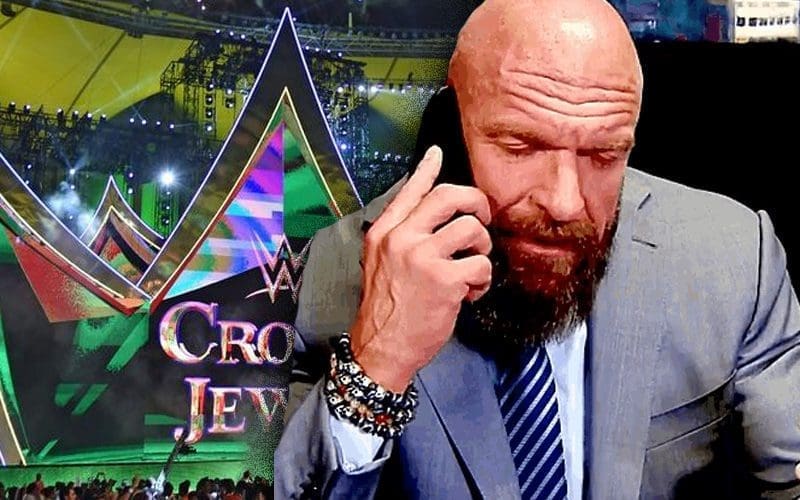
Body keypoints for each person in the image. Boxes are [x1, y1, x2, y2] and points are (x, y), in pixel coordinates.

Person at [275, 0, 800, 498]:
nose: (565, 202)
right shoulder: (330, 269)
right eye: (521, 147)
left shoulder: (735, 258)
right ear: (450, 131)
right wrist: (378, 363)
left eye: (603, 154)